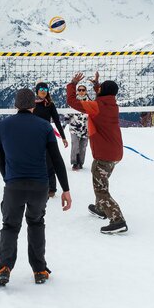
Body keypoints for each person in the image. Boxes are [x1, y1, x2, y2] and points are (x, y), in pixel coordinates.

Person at [0, 88, 71, 286]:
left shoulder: (3, 126)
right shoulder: (44, 126)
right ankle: (40, 270)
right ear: (33, 106)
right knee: (36, 224)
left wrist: (8, 179)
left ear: (16, 105)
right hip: (39, 185)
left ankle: (4, 268)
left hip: (14, 185)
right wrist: (66, 189)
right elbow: (57, 159)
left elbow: (1, 160)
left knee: (10, 226)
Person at [66, 72, 127, 234]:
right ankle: (101, 208)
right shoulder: (112, 104)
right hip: (115, 153)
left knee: (100, 189)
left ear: (103, 92)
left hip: (105, 154)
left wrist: (72, 84)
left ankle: (117, 220)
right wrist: (97, 85)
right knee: (101, 180)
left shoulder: (96, 106)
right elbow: (102, 96)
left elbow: (72, 101)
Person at [32, 81, 68, 197]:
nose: (43, 91)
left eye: (45, 89)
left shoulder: (50, 104)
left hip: (47, 136)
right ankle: (36, 185)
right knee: (34, 161)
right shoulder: (31, 104)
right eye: (41, 89)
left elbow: (57, 121)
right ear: (37, 91)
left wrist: (63, 137)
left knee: (49, 162)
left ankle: (51, 188)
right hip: (34, 136)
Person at [67, 83, 90, 170]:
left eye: (83, 90)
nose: (81, 91)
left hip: (86, 129)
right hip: (74, 128)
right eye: (79, 90)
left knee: (83, 146)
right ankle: (74, 163)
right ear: (77, 91)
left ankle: (80, 162)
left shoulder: (90, 102)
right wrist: (63, 126)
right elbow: (67, 115)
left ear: (86, 92)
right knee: (75, 145)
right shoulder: (73, 102)